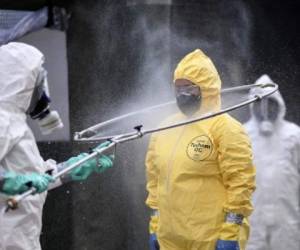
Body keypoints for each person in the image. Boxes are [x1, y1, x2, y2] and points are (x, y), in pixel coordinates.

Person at [0, 42, 114, 250]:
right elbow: (23, 180)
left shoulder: (14, 121)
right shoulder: (2, 119)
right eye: (39, 80)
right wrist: (12, 182)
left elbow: (35, 176)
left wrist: (77, 165)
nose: (42, 90)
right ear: (22, 81)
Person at [145, 49, 256, 250]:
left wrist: (230, 231)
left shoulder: (225, 128)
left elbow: (241, 183)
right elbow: (155, 180)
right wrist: (155, 226)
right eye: (178, 89)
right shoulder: (164, 128)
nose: (182, 95)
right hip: (170, 239)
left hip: (210, 239)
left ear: (206, 88)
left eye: (189, 88)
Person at [244, 75, 300, 250]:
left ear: (279, 104)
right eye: (260, 103)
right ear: (253, 105)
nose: (266, 110)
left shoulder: (294, 135)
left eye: (271, 103)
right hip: (253, 221)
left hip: (287, 219)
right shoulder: (242, 135)